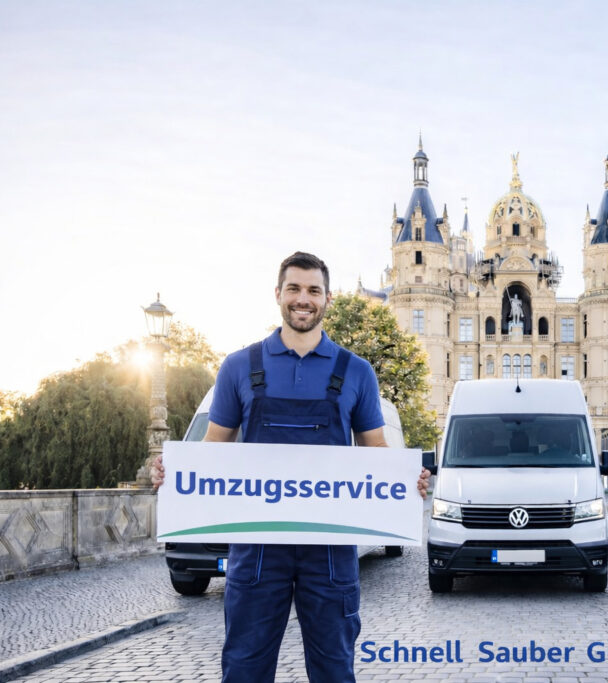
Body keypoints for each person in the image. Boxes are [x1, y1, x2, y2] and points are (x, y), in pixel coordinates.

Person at [152, 251, 430, 683]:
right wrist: (175, 475)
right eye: (295, 289)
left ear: (328, 299)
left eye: (313, 290)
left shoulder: (356, 371)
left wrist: (407, 481)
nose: (304, 299)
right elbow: (212, 449)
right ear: (278, 294)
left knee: (335, 670)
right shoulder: (239, 367)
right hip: (258, 545)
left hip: (331, 547)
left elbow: (376, 450)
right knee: (245, 668)